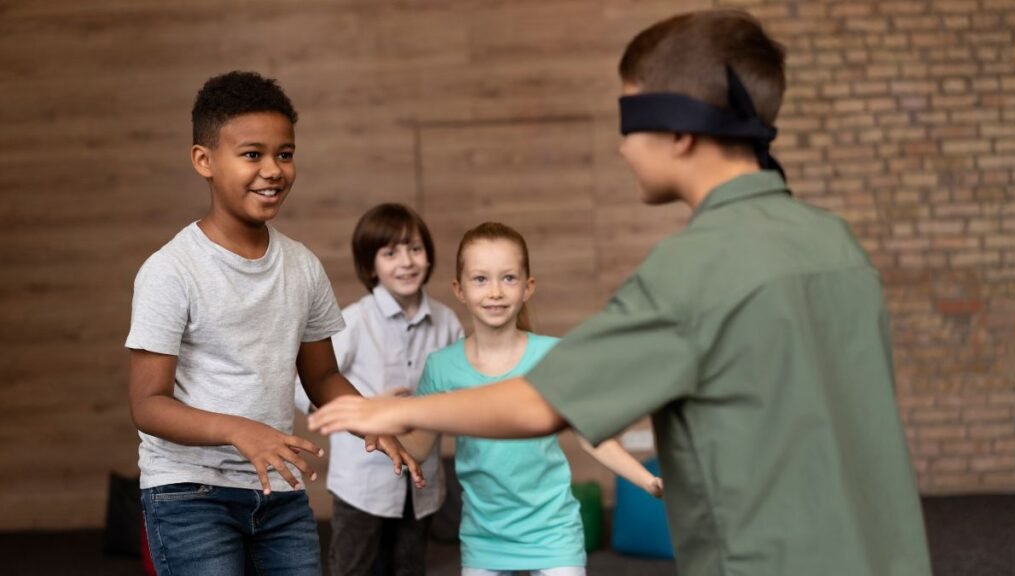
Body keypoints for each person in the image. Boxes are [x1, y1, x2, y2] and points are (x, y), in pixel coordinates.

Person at [308, 9, 932, 576]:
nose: (621, 145)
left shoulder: (692, 270)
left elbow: (540, 405)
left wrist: (391, 410)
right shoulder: (837, 244)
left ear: (680, 130)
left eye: (628, 119)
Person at [126, 71, 420, 576]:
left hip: (279, 493)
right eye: (252, 154)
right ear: (204, 161)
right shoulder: (170, 270)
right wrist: (241, 431)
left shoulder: (302, 266)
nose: (273, 169)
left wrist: (368, 418)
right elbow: (147, 404)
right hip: (189, 494)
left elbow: (322, 376)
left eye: (285, 154)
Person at [376, 222, 662, 576]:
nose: (495, 291)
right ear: (459, 289)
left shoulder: (552, 357)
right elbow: (419, 446)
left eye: (508, 278)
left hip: (553, 533)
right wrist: (387, 421)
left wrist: (648, 480)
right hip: (484, 539)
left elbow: (592, 436)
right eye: (480, 279)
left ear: (528, 287)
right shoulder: (442, 367)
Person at [294, 203, 464, 576]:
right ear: (371, 266)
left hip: (422, 481)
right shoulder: (352, 321)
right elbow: (305, 386)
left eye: (415, 249)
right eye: (390, 253)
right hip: (362, 481)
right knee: (352, 567)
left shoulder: (446, 321)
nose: (406, 261)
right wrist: (366, 408)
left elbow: (462, 386)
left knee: (408, 566)